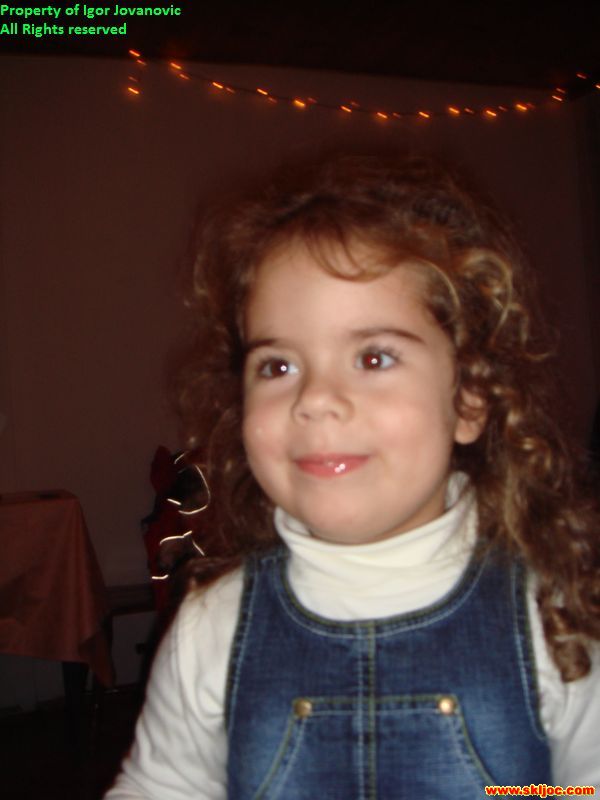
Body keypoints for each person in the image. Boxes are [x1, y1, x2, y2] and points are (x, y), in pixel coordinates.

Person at [105, 155, 600, 799]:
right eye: (278, 366)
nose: (315, 399)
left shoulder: (553, 619)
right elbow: (160, 787)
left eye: (373, 357)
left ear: (469, 399)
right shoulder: (212, 629)